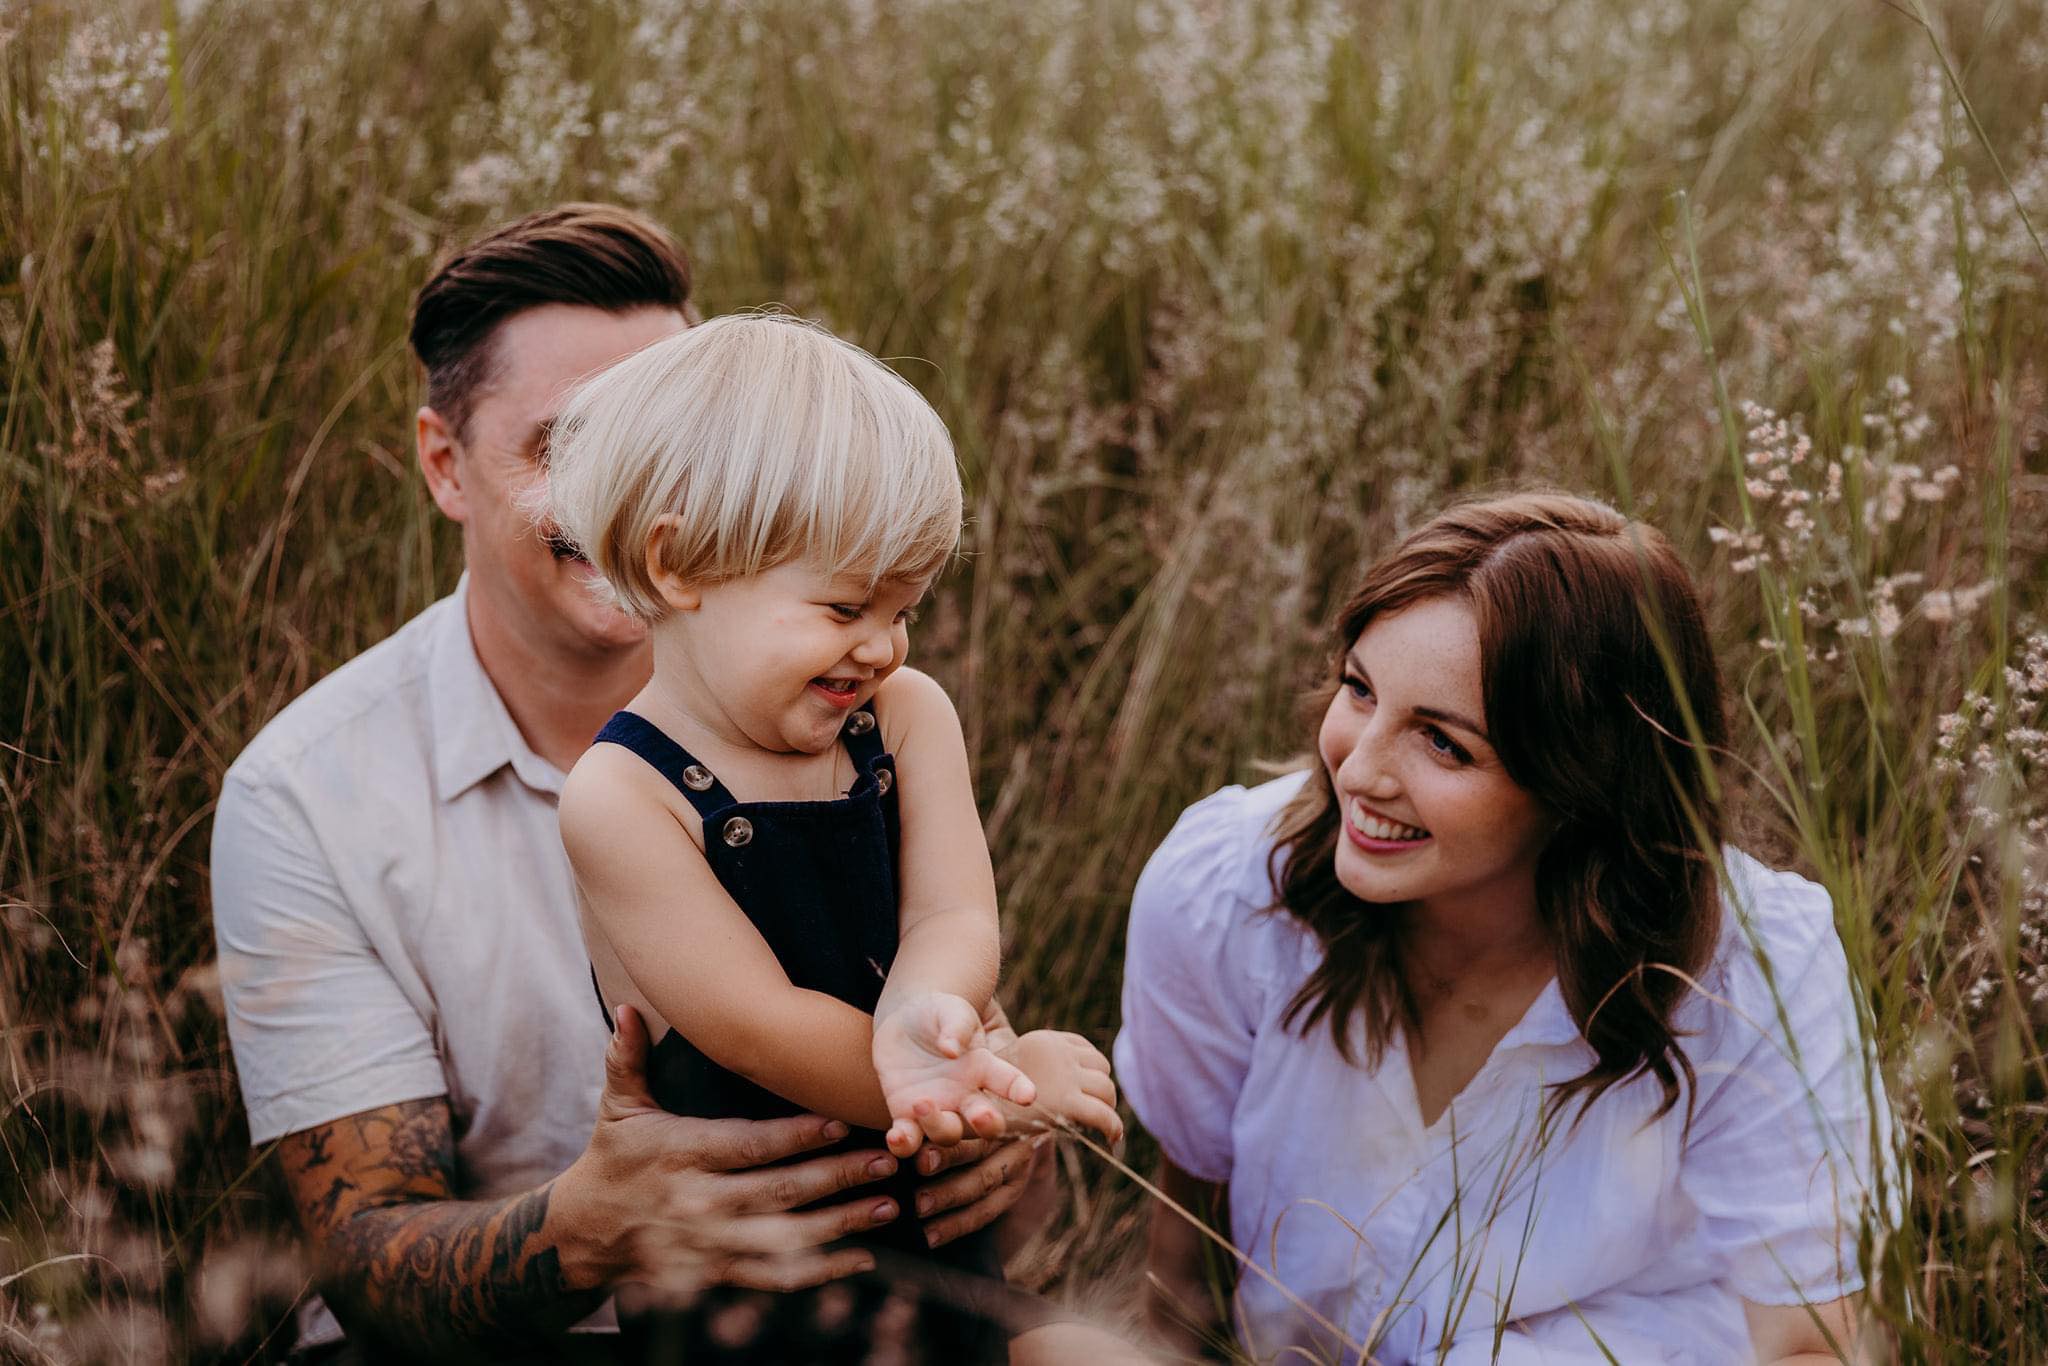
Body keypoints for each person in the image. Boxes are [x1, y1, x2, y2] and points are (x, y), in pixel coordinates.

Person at [210, 205, 1049, 1363]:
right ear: (445, 465)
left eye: (669, 443)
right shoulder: (307, 794)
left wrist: (993, 1117)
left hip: (884, 1286)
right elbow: (366, 1268)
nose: (630, 487)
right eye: (569, 445)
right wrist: (588, 1228)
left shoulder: (853, 706)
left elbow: (949, 990)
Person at [1116, 492, 1893, 1364]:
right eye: (1359, 690)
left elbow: (1806, 1350)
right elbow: (1185, 1266)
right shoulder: (1228, 891)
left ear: (1580, 783)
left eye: (1444, 744)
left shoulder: (1751, 976)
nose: (1360, 769)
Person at [544, 313, 1125, 1360]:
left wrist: (926, 1014)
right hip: (755, 1299)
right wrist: (989, 1091)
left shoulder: (903, 718)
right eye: (845, 604)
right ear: (678, 567)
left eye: (906, 606)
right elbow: (758, 1025)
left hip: (934, 1262)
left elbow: (950, 911)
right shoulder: (621, 797)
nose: (883, 644)